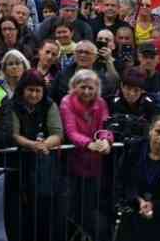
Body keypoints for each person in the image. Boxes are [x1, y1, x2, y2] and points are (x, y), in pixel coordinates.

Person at [8, 69, 64, 241]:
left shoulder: (49, 104)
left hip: (44, 167)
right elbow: (14, 134)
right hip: (18, 164)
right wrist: (32, 145)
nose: (34, 94)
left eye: (38, 90)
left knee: (44, 210)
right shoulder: (12, 105)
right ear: (22, 89)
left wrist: (44, 145)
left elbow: (58, 133)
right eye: (30, 90)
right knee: (20, 212)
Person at [59, 69, 113, 241]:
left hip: (95, 165)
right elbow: (71, 132)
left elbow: (106, 126)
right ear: (74, 87)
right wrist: (89, 144)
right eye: (83, 87)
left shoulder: (101, 103)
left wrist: (106, 140)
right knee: (69, 209)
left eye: (91, 88)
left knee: (90, 209)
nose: (87, 92)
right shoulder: (66, 102)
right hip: (72, 165)